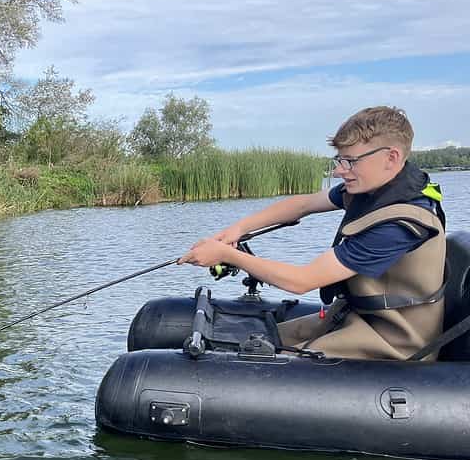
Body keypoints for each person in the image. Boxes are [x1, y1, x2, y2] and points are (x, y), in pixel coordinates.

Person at [179, 106, 446, 360]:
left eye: (351, 161)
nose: (340, 170)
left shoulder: (397, 226)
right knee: (261, 338)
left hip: (395, 341)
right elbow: (303, 204)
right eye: (340, 159)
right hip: (357, 316)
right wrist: (237, 229)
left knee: (271, 362)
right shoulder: (375, 189)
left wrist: (227, 255)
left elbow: (303, 281)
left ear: (392, 157)